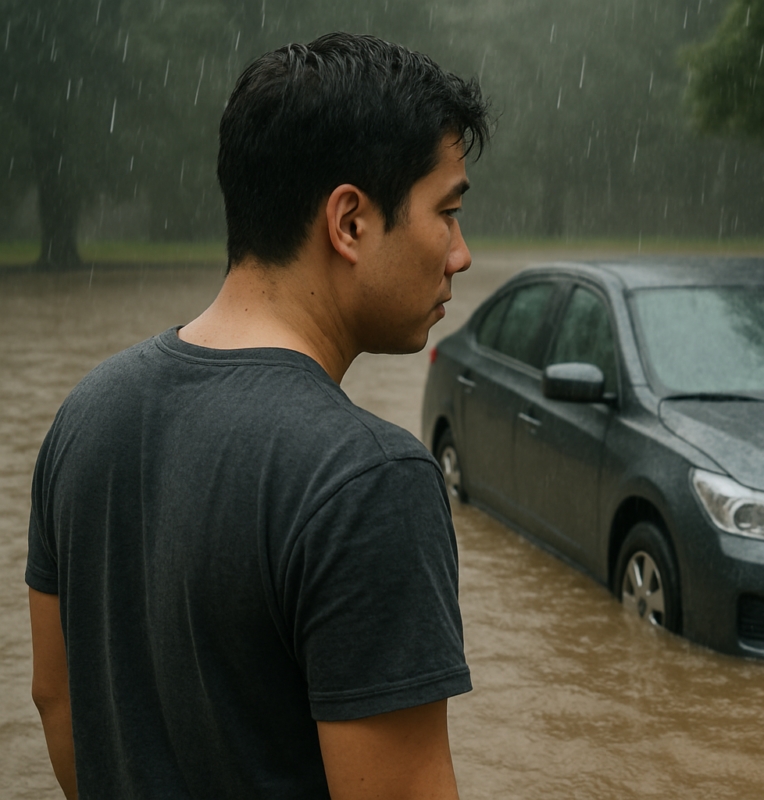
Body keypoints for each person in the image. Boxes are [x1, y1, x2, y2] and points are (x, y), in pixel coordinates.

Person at [26, 32, 491, 798]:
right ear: (349, 223)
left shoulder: (84, 415)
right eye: (447, 212)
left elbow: (58, 699)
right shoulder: (368, 481)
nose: (461, 254)